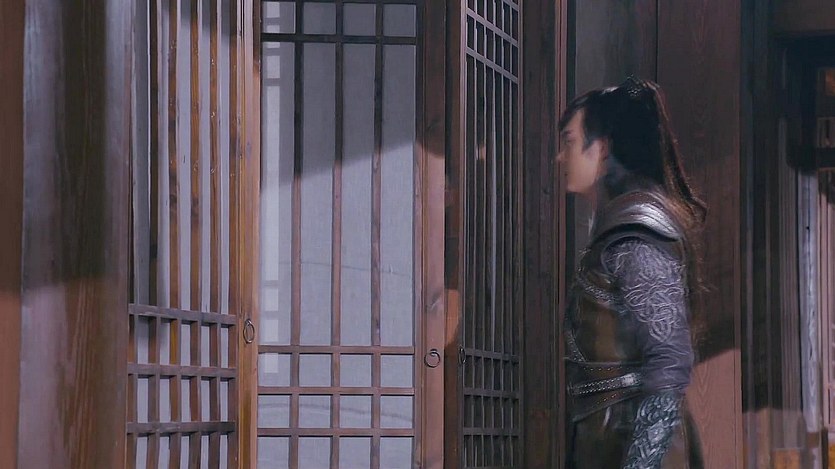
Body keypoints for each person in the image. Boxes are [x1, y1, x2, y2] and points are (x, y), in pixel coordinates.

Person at [557, 77, 705, 468]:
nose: (560, 156)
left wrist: (642, 462)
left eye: (569, 141)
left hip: (629, 437)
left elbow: (668, 357)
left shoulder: (635, 232)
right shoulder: (619, 227)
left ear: (602, 148)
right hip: (607, 436)